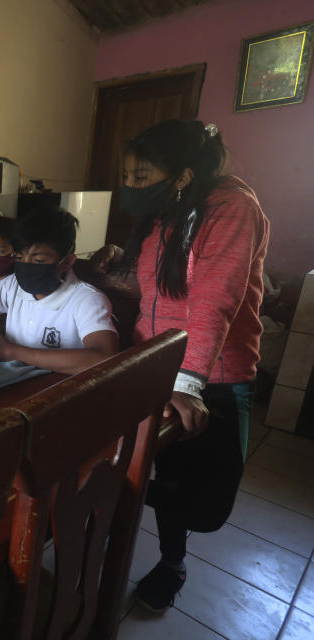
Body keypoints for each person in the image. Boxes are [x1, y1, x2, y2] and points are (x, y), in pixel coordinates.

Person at [91, 119, 269, 614]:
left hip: (210, 375)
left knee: (192, 494)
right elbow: (159, 293)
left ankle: (172, 564)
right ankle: (119, 547)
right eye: (127, 175)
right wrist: (108, 273)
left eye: (141, 176)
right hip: (152, 364)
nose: (130, 187)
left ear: (184, 175)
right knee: (143, 471)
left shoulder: (231, 208)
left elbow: (213, 299)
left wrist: (188, 385)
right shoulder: (167, 212)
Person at [0, 206, 118, 374]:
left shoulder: (87, 300)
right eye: (19, 257)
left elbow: (104, 358)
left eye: (38, 261)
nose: (26, 266)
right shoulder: (12, 285)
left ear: (68, 262)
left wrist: (11, 352)